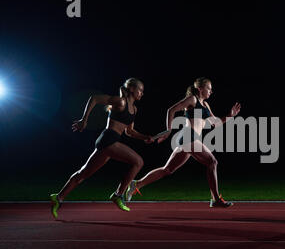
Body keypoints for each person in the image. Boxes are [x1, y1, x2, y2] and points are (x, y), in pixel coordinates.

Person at [126, 77, 241, 207]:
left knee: (167, 169)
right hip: (188, 137)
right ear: (200, 88)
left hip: (191, 139)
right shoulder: (192, 99)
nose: (211, 91)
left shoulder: (205, 105)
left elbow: (215, 123)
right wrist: (168, 130)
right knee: (212, 162)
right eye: (209, 88)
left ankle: (137, 184)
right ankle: (215, 199)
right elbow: (171, 110)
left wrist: (231, 116)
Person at [50, 78, 154, 218]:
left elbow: (129, 132)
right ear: (131, 89)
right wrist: (84, 120)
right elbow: (94, 98)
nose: (142, 93)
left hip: (109, 142)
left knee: (83, 174)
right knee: (138, 162)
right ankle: (118, 195)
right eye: (140, 89)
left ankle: (59, 197)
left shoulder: (134, 109)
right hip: (108, 139)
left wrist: (145, 137)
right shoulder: (120, 101)